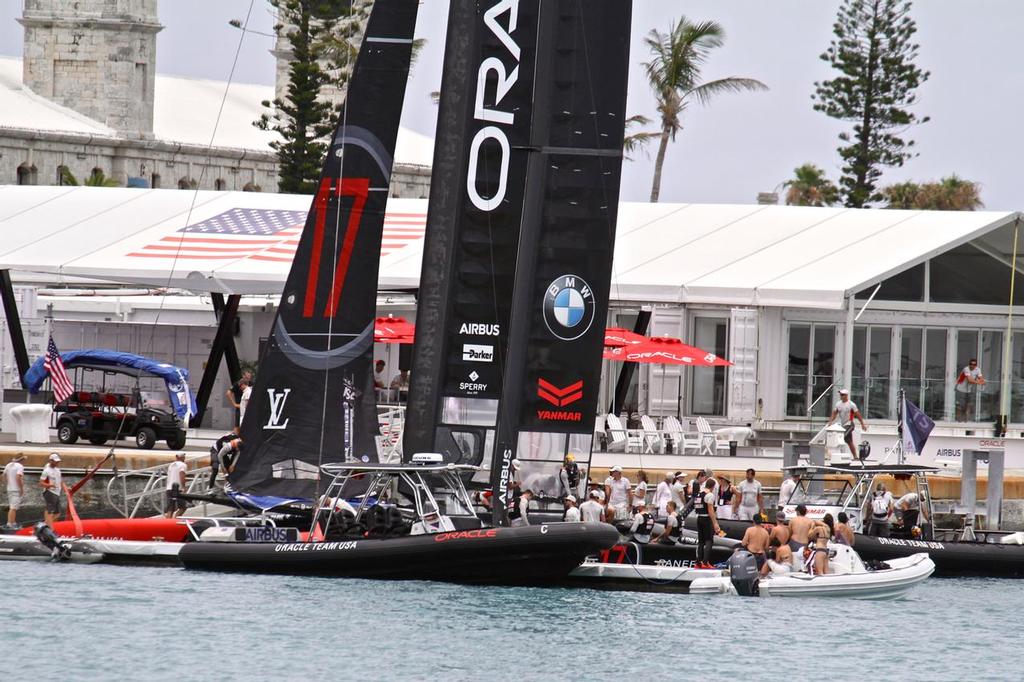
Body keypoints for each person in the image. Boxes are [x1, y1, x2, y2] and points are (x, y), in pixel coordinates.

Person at [826, 388, 868, 459]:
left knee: (841, 436)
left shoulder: (851, 404)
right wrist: (830, 422)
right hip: (843, 425)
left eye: (842, 395)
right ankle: (855, 456)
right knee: (849, 441)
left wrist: (862, 424)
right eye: (840, 395)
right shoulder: (838, 404)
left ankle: (836, 455)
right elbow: (834, 414)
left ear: (846, 396)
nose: (841, 396)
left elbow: (858, 415)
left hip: (850, 424)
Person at [694, 479, 721, 569]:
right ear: (713, 487)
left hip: (699, 518)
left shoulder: (699, 494)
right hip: (706, 519)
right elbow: (710, 510)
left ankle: (698, 562)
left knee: (701, 541)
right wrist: (715, 523)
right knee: (709, 540)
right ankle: (705, 562)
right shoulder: (710, 495)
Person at [40, 453, 62, 527]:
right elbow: (41, 483)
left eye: (58, 461)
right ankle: (50, 528)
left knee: (57, 513)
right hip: (50, 492)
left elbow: (60, 480)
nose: (57, 462)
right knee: (50, 512)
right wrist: (50, 485)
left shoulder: (58, 470)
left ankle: (44, 525)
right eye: (56, 461)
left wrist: (66, 488)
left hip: (57, 492)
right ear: (51, 461)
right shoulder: (46, 471)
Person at [4, 455, 26, 527]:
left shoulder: (8, 465)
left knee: (12, 506)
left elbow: (3, 475)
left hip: (9, 488)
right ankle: (10, 523)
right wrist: (21, 488)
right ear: (21, 459)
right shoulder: (20, 466)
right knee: (13, 508)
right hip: (16, 489)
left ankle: (12, 522)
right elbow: (18, 477)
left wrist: (8, 484)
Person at [165, 452, 188, 518]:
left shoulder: (171, 465)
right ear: (180, 457)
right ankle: (175, 518)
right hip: (178, 489)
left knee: (170, 509)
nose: (184, 457)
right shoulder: (183, 465)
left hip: (169, 488)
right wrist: (184, 487)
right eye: (183, 456)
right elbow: (182, 475)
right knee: (183, 507)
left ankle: (168, 524)